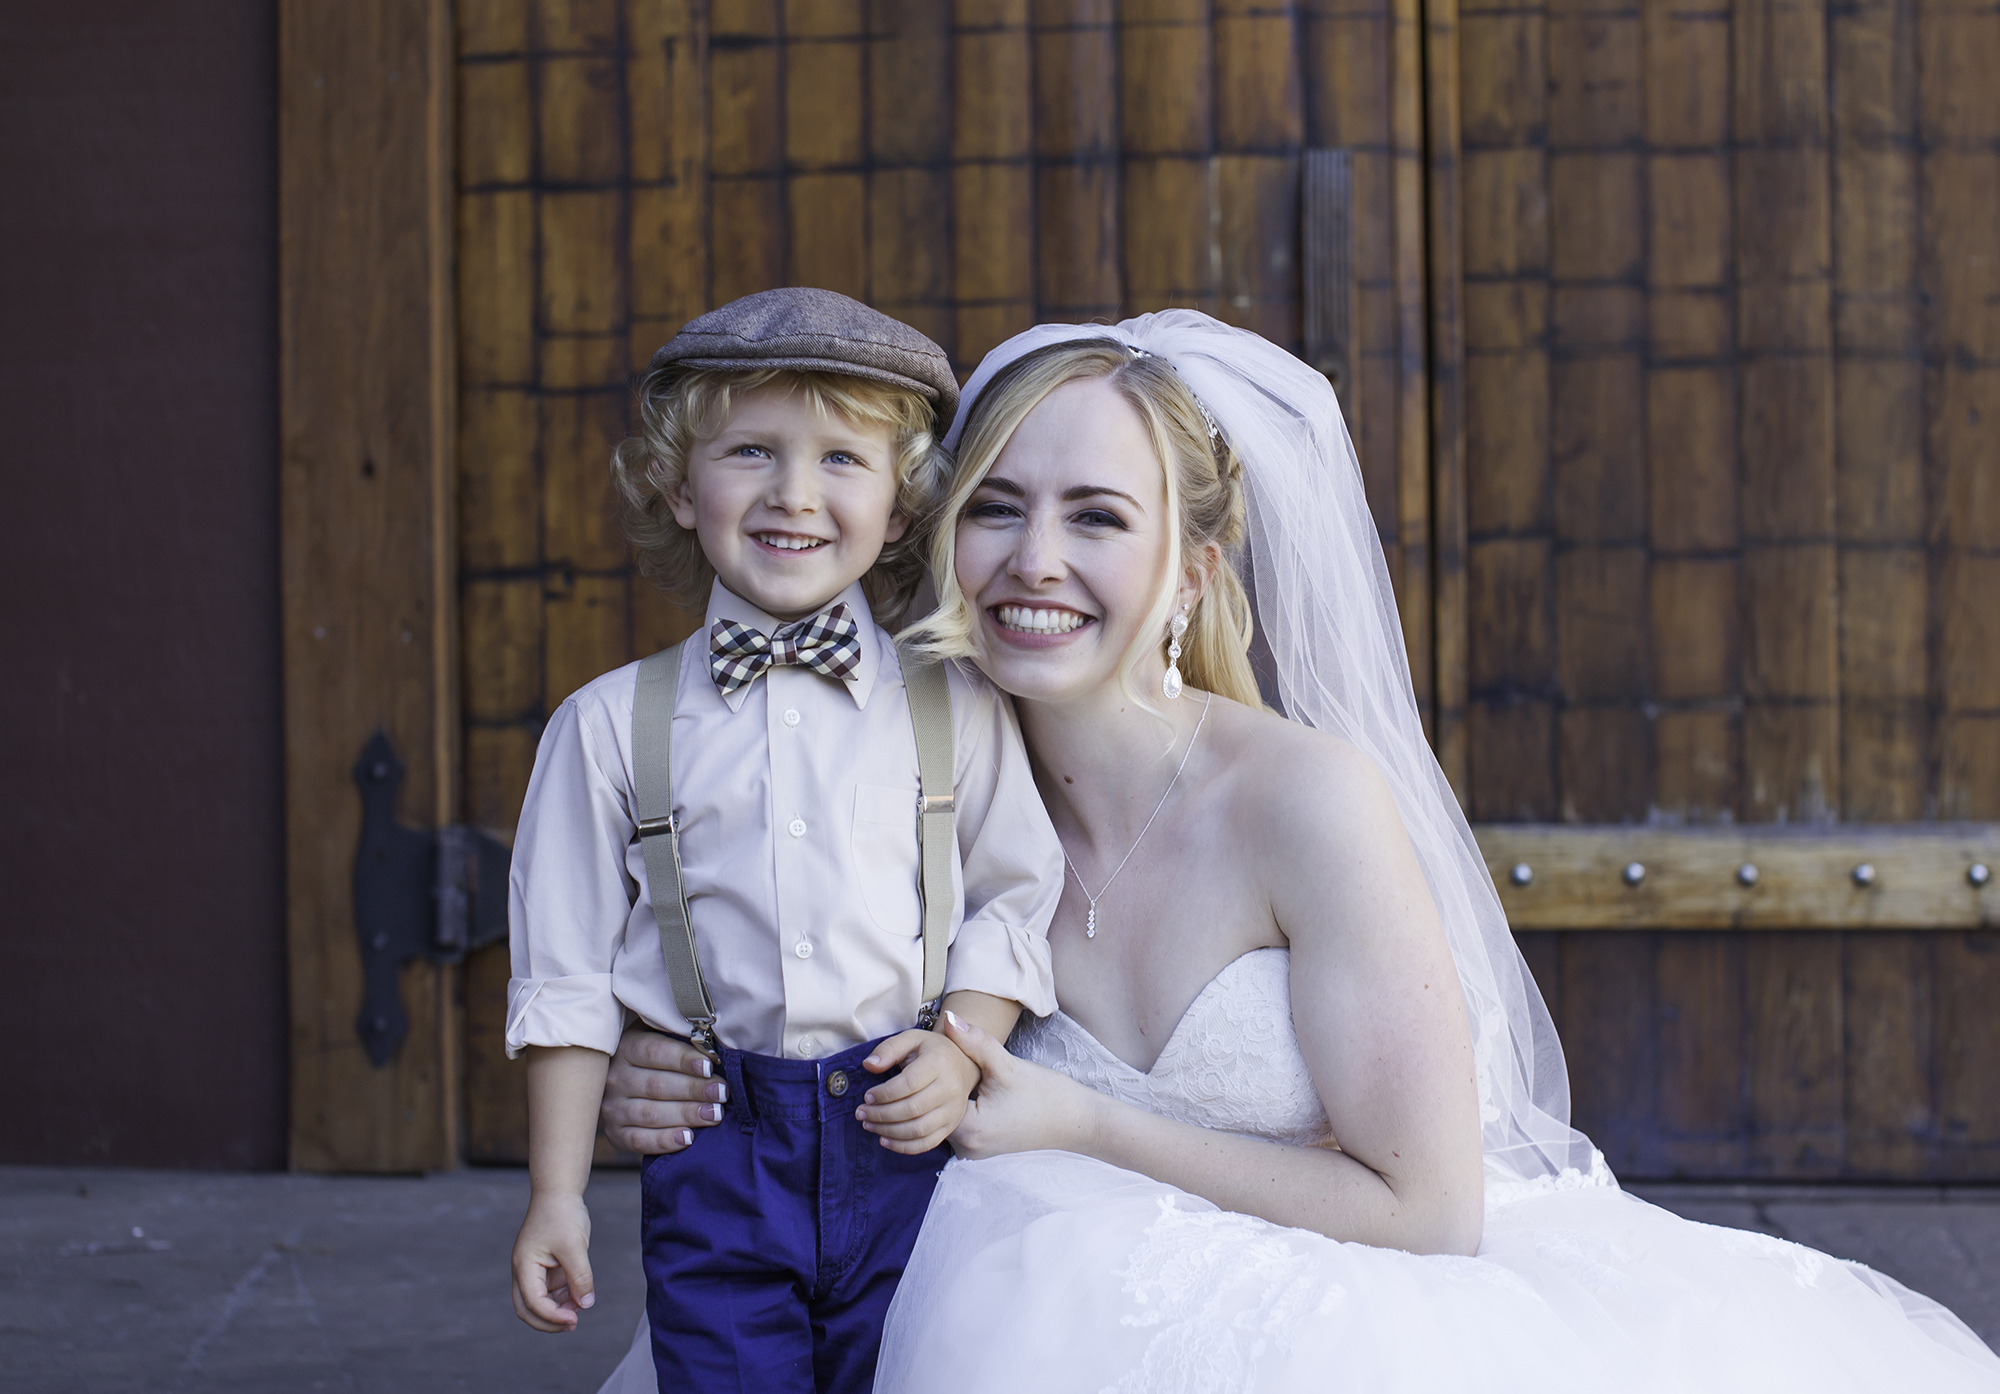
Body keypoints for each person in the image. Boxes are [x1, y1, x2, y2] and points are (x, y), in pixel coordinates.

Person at [599, 310, 2000, 1392]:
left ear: (1192, 572)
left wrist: (1085, 1121)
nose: (1034, 558)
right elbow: (750, 974)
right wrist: (655, 1065)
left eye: (1097, 516)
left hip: (1349, 1305)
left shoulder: (1304, 803)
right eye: (998, 508)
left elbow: (1431, 1206)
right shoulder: (892, 769)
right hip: (981, 1298)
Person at [505, 287, 1062, 1394]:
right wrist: (556, 1191)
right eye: (750, 450)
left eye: (842, 461)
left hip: (908, 1137)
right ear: (675, 483)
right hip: (718, 1152)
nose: (793, 494)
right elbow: (562, 975)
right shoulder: (609, 724)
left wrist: (960, 1050)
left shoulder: (955, 706)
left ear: (903, 505)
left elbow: (1014, 898)